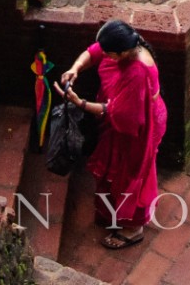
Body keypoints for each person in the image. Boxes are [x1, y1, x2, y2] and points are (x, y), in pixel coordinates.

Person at [57, 18, 167, 249]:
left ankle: (132, 228)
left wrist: (80, 103)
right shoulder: (125, 47)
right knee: (114, 168)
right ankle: (112, 213)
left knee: (130, 173)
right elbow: (94, 52)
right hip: (120, 120)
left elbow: (121, 113)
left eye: (110, 54)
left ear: (124, 52)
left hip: (137, 130)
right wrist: (75, 68)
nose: (105, 56)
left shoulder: (137, 72)